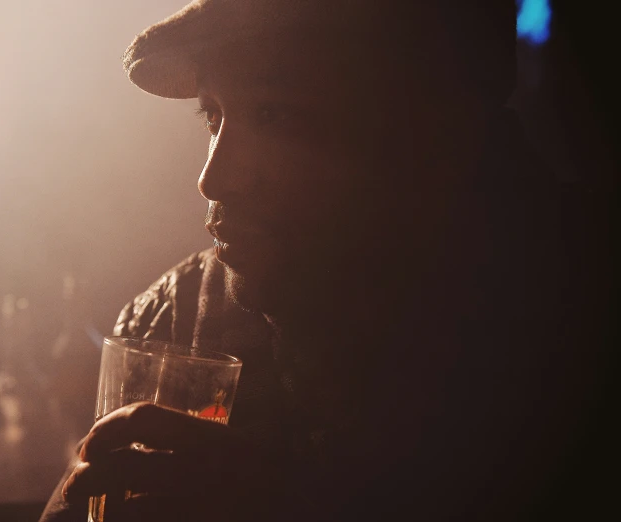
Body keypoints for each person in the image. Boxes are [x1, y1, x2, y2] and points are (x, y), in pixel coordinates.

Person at [40, 1, 606, 520]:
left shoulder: (580, 314)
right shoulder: (175, 318)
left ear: (432, 133)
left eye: (277, 115)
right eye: (212, 117)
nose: (214, 179)